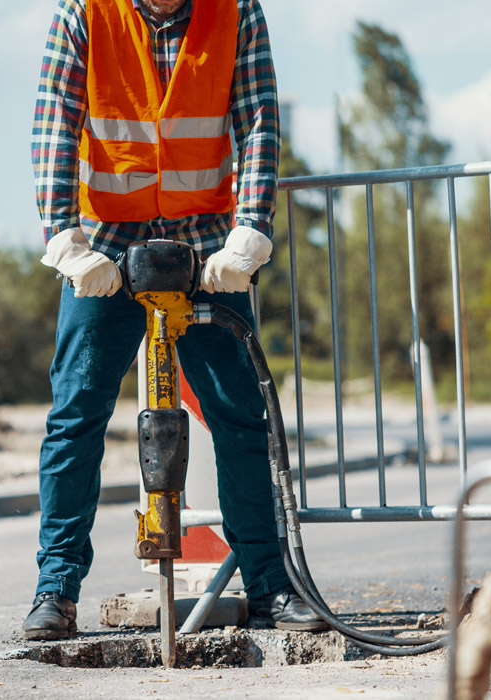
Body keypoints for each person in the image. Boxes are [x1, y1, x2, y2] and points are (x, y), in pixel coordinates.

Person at [23, 0, 327, 640]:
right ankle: (56, 592)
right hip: (105, 243)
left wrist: (249, 233)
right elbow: (55, 124)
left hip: (206, 245)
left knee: (240, 416)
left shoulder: (235, 11)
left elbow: (258, 124)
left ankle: (270, 587)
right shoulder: (85, 11)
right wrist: (65, 241)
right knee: (75, 416)